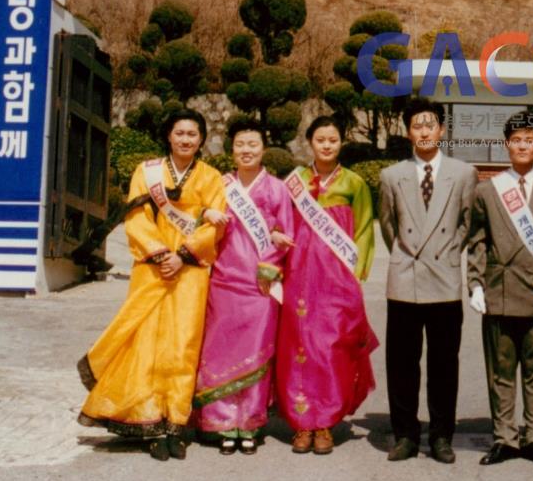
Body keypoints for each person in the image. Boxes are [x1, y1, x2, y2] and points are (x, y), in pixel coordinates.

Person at [77, 109, 224, 461]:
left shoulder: (211, 176)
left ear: (201, 139)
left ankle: (175, 421)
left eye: (192, 134)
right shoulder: (147, 172)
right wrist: (161, 254)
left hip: (189, 270)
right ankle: (150, 421)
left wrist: (183, 256)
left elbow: (215, 224)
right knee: (145, 341)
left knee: (182, 344)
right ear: (169, 136)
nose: (186, 139)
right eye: (179, 133)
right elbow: (136, 218)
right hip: (153, 265)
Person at [466, 110, 533, 468]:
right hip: (500, 292)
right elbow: (477, 241)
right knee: (501, 371)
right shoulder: (487, 190)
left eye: (529, 140)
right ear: (506, 145)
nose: (523, 146)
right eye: (516, 140)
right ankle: (504, 437)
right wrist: (475, 284)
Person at [378, 98, 478, 464]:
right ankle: (405, 434)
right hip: (404, 277)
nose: (423, 131)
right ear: (408, 132)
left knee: (443, 364)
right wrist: (407, 254)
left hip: (444, 278)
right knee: (402, 362)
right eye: (416, 126)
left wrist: (448, 252)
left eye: (430, 125)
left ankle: (441, 436)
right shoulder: (391, 176)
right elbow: (388, 225)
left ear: (442, 130)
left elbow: (466, 223)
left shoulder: (463, 173)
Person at [276, 115, 378, 456]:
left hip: (336, 277)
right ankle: (302, 424)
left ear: (341, 143)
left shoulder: (353, 183)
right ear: (310, 142)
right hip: (299, 276)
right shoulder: (294, 182)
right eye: (320, 139)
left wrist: (356, 271)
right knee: (298, 347)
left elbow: (364, 230)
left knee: (331, 346)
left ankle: (325, 422)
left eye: (333, 139)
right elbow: (282, 223)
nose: (326, 145)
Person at [192, 127, 295, 456]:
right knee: (222, 350)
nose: (247, 150)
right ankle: (223, 423)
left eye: (253, 144)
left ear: (264, 149)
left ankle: (249, 422)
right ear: (231, 150)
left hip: (259, 284)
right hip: (224, 280)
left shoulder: (277, 189)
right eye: (240, 145)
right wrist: (205, 215)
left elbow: (287, 231)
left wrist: (269, 264)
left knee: (257, 351)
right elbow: (199, 218)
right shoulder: (220, 186)